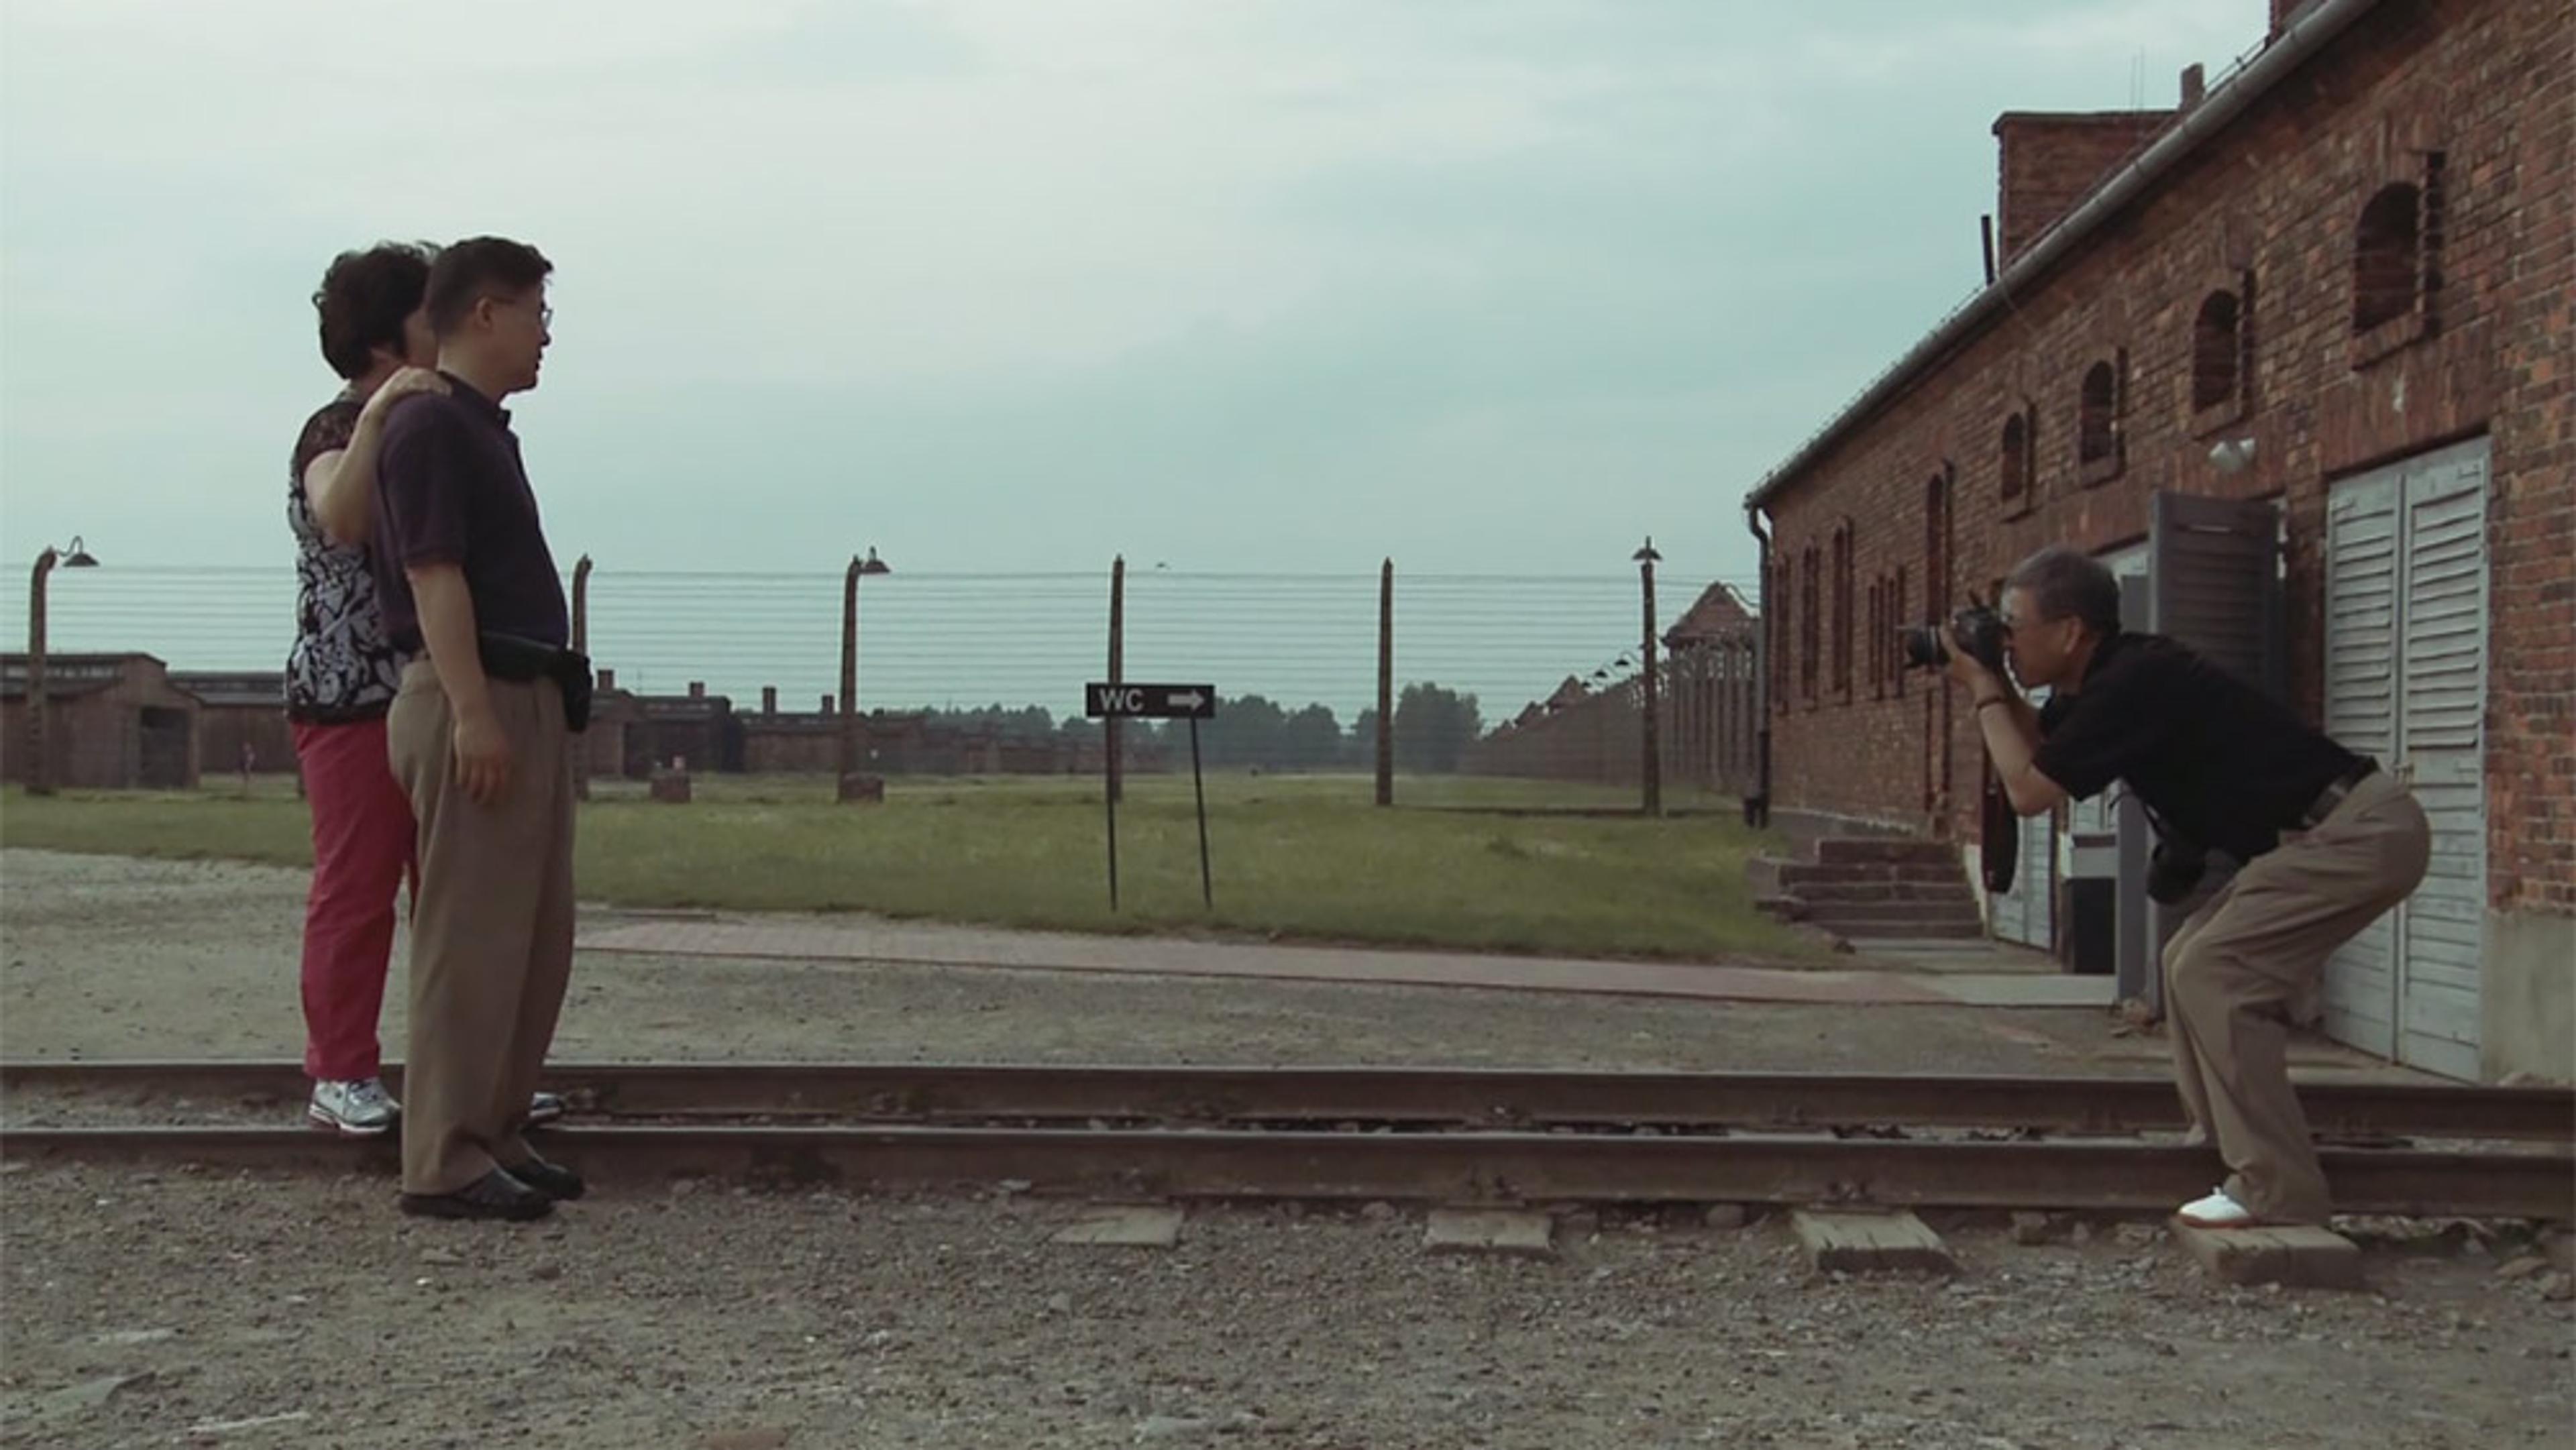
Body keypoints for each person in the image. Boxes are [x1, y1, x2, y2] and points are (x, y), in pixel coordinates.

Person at [1948, 544, 2430, 1228]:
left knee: (2216, 972)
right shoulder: (2105, 680)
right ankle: (2223, 1144)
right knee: (2184, 963)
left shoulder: (2134, 682)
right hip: (2325, 834)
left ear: (2069, 630)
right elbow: (2040, 750)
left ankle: (2277, 1188)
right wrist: (1991, 675)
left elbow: (2027, 789)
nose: (2006, 638)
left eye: (2013, 624)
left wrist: (1985, 689)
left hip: (2357, 831)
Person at [289, 243, 564, 1140]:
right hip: (352, 696)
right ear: (386, 332)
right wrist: (377, 417)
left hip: (425, 678)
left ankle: (462, 1082)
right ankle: (341, 1069)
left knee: (451, 894)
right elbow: (341, 513)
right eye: (422, 312)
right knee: (358, 887)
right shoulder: (339, 429)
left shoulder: (444, 420)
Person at [371, 236, 586, 1221]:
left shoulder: (486, 430)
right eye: (538, 312)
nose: (548, 335)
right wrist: (471, 712)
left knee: (531, 936)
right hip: (476, 693)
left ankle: (493, 1125)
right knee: (472, 934)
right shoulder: (430, 427)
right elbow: (432, 572)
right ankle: (446, 1154)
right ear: (486, 313)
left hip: (523, 694)